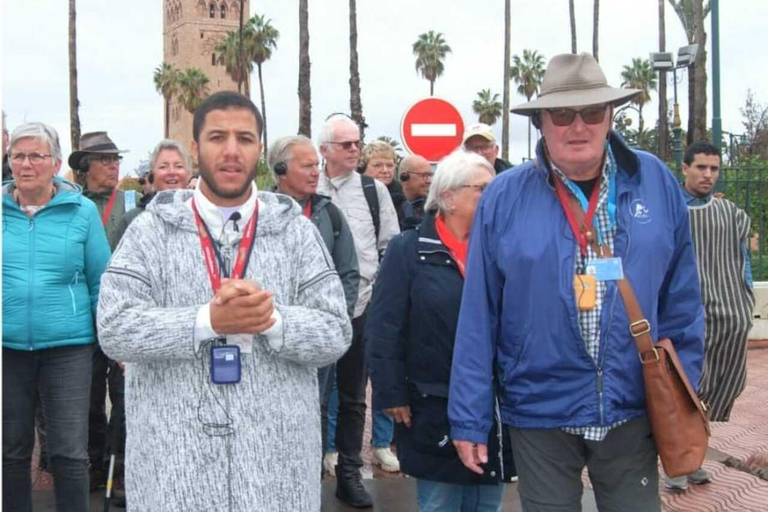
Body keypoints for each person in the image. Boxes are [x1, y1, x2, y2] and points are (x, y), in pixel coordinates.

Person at [448, 53, 705, 512]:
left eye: (592, 112)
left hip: (633, 406)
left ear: (610, 117)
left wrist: (680, 388)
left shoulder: (655, 183)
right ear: (542, 123)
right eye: (563, 114)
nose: (578, 126)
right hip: (540, 409)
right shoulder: (503, 198)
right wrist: (468, 418)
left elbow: (682, 297)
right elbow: (478, 315)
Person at [96, 91, 351, 512]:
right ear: (195, 149)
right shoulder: (149, 232)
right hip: (175, 473)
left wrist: (270, 320)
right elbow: (114, 328)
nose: (231, 151)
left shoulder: (296, 233)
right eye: (217, 137)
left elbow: (336, 332)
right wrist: (206, 321)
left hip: (274, 474)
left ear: (260, 152)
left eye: (245, 138)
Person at [367, 150, 506, 512]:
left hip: (490, 404)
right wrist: (390, 392)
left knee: (485, 502)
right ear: (448, 197)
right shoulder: (408, 250)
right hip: (430, 403)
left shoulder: (498, 250)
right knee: (440, 503)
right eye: (483, 189)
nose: (494, 197)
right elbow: (384, 326)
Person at [3, 122, 111, 512]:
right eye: (18, 155)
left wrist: (111, 341)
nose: (26, 164)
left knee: (68, 451)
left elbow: (102, 280)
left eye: (36, 156)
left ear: (54, 163)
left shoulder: (81, 212)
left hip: (68, 349)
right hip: (7, 348)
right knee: (12, 451)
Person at [317, 113, 400, 507]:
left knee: (353, 396)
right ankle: (306, 466)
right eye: (346, 144)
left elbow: (390, 245)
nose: (354, 150)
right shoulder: (306, 186)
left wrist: (379, 293)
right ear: (325, 150)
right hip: (314, 312)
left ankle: (349, 472)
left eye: (357, 144)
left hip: (361, 307)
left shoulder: (373, 191)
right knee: (310, 395)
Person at [664, 141, 756, 491]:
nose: (708, 175)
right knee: (678, 390)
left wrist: (744, 304)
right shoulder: (671, 210)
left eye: (714, 169)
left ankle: (695, 458)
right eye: (701, 167)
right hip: (683, 318)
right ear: (685, 168)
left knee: (712, 388)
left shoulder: (730, 213)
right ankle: (676, 464)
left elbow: (742, 264)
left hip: (727, 318)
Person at [269, 134, 360, 464]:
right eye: (307, 166)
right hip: (269, 336)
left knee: (316, 407)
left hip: (316, 336)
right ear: (280, 170)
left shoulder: (330, 214)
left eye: (316, 165)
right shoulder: (258, 213)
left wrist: (337, 320)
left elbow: (349, 272)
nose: (315, 172)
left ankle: (313, 478)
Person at [68, 130, 137, 492]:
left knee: (124, 394)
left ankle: (120, 463)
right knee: (89, 395)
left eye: (115, 160)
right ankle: (95, 462)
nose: (113, 166)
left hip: (124, 310)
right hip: (85, 315)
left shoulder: (132, 201)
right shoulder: (73, 205)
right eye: (105, 160)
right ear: (86, 166)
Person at [357, 139, 402, 473]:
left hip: (384, 295)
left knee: (385, 374)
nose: (385, 171)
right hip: (357, 296)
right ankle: (334, 448)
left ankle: (383, 444)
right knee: (349, 380)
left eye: (389, 166)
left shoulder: (403, 199)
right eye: (378, 166)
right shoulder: (363, 196)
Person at [123, 139, 193, 228]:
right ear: (152, 175)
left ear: (189, 173)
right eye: (163, 167)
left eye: (179, 166)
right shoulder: (132, 220)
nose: (171, 172)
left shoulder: (205, 216)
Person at [398, 154, 433, 230]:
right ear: (404, 177)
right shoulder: (392, 206)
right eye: (424, 175)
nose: (429, 181)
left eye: (430, 175)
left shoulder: (434, 208)